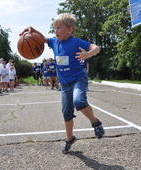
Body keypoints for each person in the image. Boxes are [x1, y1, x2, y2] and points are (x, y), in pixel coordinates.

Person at [20, 13, 104, 154]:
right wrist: (32, 29)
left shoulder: (76, 42)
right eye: (54, 28)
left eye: (59, 28)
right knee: (66, 114)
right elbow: (41, 38)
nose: (55, 31)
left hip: (78, 79)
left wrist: (87, 54)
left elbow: (97, 48)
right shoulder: (54, 43)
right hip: (64, 85)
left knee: (79, 102)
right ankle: (70, 139)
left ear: (70, 30)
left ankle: (95, 122)